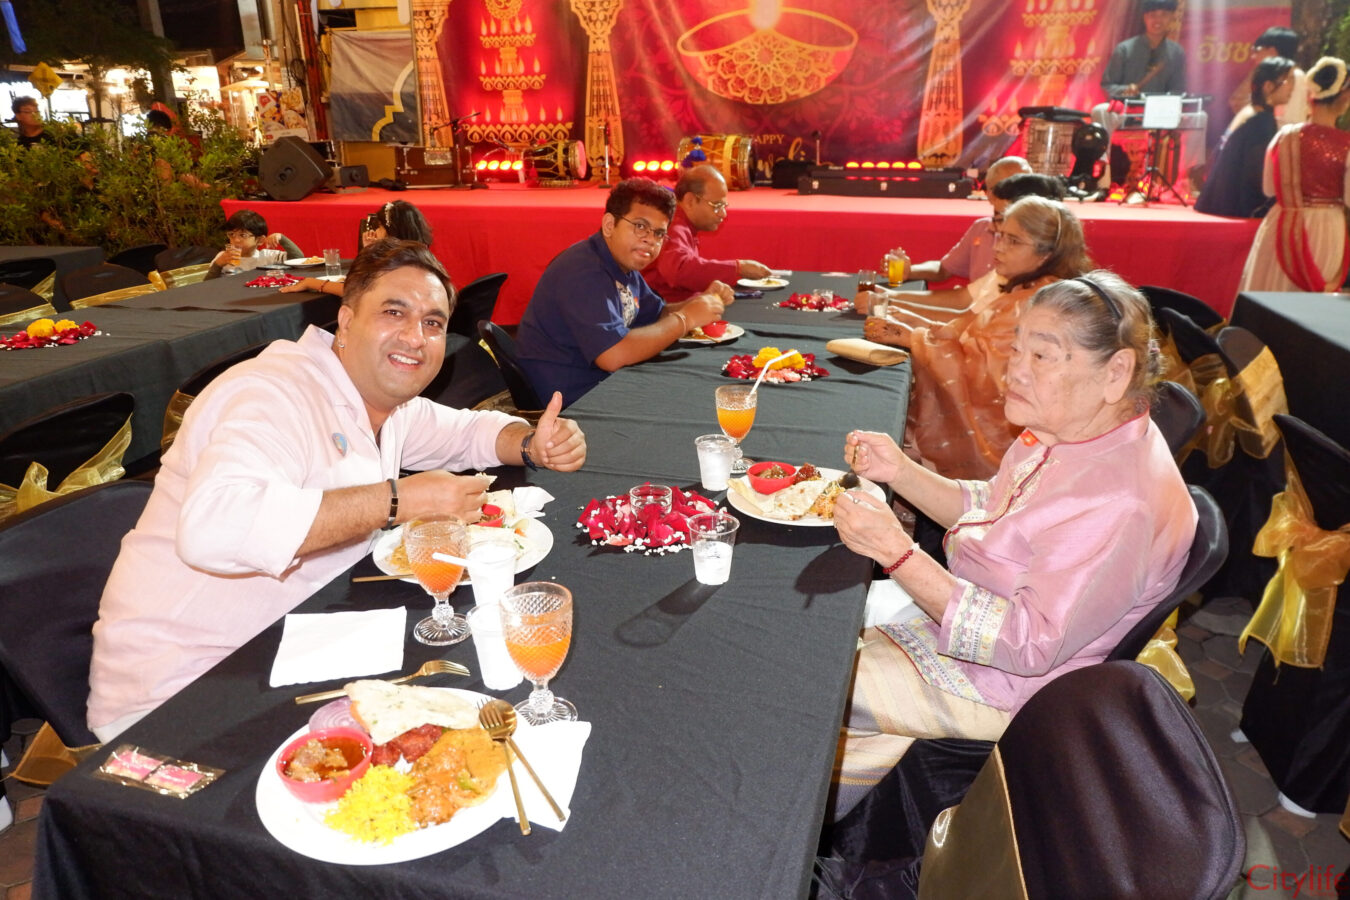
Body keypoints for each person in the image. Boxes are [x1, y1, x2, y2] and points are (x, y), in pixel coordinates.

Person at [87, 239, 588, 740]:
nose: (415, 337)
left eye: (433, 323)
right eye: (394, 312)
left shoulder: (380, 399)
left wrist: (530, 443)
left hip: (296, 640)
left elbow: (462, 432)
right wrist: (399, 500)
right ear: (346, 322)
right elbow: (214, 529)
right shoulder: (270, 393)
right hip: (180, 690)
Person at [830, 271, 1197, 817]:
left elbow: (1026, 646)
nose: (1015, 370)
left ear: (1116, 372)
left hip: (1010, 685)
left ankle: (794, 830)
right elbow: (995, 508)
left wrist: (897, 554)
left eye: (1042, 356)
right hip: (974, 627)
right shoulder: (1070, 431)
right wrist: (901, 472)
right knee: (818, 643)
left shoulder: (1120, 502)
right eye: (1017, 349)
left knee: (815, 686)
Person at [867, 197, 1093, 480]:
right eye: (1000, 236)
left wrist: (916, 339)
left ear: (1046, 254)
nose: (998, 247)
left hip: (1009, 441)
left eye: (1013, 241)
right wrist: (911, 325)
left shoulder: (1037, 304)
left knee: (880, 423)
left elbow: (986, 376)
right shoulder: (1032, 289)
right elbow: (969, 333)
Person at [515, 177, 734, 407]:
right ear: (610, 225)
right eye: (640, 226)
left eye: (659, 233)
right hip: (568, 399)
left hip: (598, 382)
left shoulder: (621, 264)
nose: (650, 240)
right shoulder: (583, 271)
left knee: (699, 383)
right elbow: (612, 355)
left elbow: (656, 316)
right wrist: (686, 318)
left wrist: (700, 302)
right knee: (692, 398)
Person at [856, 172, 1065, 321]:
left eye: (1012, 238)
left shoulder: (1043, 295)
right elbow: (963, 299)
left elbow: (967, 325)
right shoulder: (1012, 269)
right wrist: (889, 296)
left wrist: (890, 304)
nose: (997, 246)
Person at [1237, 56, 1350, 293]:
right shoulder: (1346, 145)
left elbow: (1268, 189)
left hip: (1280, 224)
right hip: (1325, 229)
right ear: (1344, 97)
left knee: (1269, 292)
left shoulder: (1283, 135)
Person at [881, 156, 1032, 286]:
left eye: (1028, 187)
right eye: (1011, 188)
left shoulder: (1039, 233)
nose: (1021, 195)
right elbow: (943, 270)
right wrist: (909, 271)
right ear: (990, 194)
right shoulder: (981, 228)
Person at [642, 164, 772, 302]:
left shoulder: (681, 223)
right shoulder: (673, 227)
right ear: (690, 201)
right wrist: (739, 268)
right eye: (717, 205)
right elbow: (679, 271)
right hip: (663, 308)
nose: (723, 214)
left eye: (724, 206)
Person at [1197, 57, 1297, 218]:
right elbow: (1257, 175)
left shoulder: (1250, 111)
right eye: (1288, 80)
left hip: (1216, 201)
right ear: (1268, 86)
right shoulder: (1261, 120)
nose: (1293, 87)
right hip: (1236, 209)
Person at [281, 200, 435, 296]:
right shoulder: (418, 254)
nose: (376, 231)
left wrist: (312, 283)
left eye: (380, 226)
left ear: (392, 230)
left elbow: (358, 291)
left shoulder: (397, 260)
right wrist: (369, 250)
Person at [1100, 0, 1186, 102]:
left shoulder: (1176, 52)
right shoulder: (1124, 49)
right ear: (1144, 17)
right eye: (1152, 15)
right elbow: (1107, 86)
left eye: (1164, 15)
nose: (1158, 20)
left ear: (1172, 17)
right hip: (1127, 108)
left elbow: (1177, 90)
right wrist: (1125, 89)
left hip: (1160, 108)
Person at [1232, 28, 1308, 127]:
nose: (1253, 56)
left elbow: (1237, 102)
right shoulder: (1300, 76)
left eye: (1257, 50)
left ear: (1272, 52)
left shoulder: (1292, 76)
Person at [206, 209, 303, 279]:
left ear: (260, 240)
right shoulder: (223, 257)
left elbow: (299, 259)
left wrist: (282, 238)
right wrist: (218, 264)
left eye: (243, 235)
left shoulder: (268, 257)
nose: (236, 240)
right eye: (231, 234)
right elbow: (207, 286)